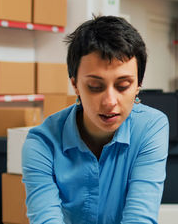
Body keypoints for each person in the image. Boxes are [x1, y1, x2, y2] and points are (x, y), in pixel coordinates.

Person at [22, 16, 169, 224]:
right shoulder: (42, 143)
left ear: (138, 85)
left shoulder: (151, 127)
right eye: (95, 86)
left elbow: (139, 218)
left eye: (123, 85)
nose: (110, 102)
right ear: (75, 85)